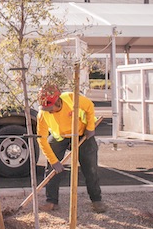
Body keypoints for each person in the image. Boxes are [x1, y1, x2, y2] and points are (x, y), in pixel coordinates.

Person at [36, 84, 106, 213]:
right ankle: (51, 201)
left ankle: (96, 200)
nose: (49, 111)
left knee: (90, 168)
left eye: (51, 108)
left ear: (58, 101)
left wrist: (90, 128)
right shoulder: (43, 114)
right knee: (51, 169)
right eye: (46, 109)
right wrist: (53, 161)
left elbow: (89, 106)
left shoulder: (70, 98)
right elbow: (41, 139)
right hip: (60, 137)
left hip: (82, 133)